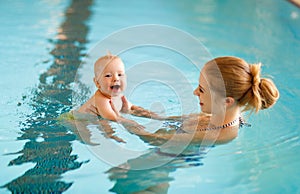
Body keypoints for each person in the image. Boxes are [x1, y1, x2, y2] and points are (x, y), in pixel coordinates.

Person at [123, 56, 280, 145]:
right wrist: (132, 109)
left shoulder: (220, 134)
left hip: (165, 165)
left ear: (227, 101)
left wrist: (117, 119)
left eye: (202, 90)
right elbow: (166, 119)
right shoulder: (219, 115)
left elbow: (155, 139)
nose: (195, 92)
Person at [77, 52, 162, 121]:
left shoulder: (119, 96)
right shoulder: (101, 99)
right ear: (97, 83)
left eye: (120, 74)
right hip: (76, 121)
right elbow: (111, 117)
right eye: (108, 75)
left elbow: (132, 108)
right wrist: (129, 122)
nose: (116, 79)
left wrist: (154, 115)